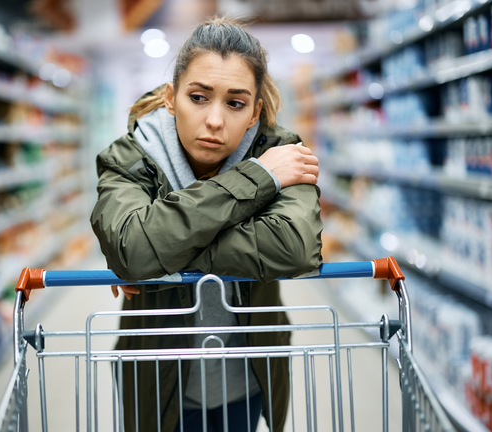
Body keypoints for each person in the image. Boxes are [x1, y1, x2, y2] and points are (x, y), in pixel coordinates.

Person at [90, 16, 323, 432]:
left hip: (249, 377)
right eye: (198, 97)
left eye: (235, 103)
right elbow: (132, 249)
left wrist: (158, 252)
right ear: (170, 97)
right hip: (157, 380)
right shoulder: (129, 158)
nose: (215, 120)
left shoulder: (283, 153)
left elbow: (295, 246)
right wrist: (257, 178)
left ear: (254, 113)